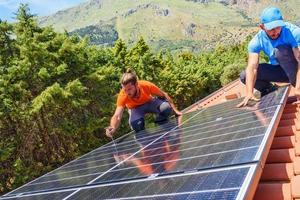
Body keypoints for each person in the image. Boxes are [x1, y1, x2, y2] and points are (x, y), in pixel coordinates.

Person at [237, 7, 300, 107]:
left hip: (295, 68)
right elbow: (252, 67)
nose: (276, 31)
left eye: (278, 27)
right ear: (262, 27)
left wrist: (298, 87)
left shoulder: (294, 32)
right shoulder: (257, 41)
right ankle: (269, 89)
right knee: (245, 75)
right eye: (271, 29)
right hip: (280, 71)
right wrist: (249, 92)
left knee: (280, 51)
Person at [106, 69, 182, 137]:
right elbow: (117, 115)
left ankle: (160, 120)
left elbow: (164, 94)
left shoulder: (145, 85)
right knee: (137, 125)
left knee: (166, 108)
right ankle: (145, 138)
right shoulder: (123, 95)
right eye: (125, 89)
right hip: (135, 109)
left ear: (136, 85)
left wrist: (175, 110)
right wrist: (113, 127)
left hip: (150, 102)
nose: (127, 92)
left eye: (129, 89)